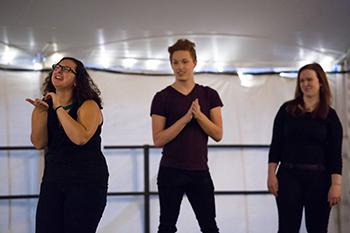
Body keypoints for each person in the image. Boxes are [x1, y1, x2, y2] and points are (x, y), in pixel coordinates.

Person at [26, 57, 109, 233]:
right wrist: (41, 113)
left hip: (87, 181)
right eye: (57, 67)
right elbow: (39, 143)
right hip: (53, 180)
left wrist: (58, 107)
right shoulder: (43, 107)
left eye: (66, 69)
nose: (58, 71)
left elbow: (80, 138)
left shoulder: (89, 105)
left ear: (77, 80)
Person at [150, 39, 223, 233]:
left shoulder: (209, 95)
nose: (180, 67)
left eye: (184, 61)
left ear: (194, 63)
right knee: (166, 227)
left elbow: (218, 134)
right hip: (170, 171)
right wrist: (185, 119)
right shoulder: (162, 97)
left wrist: (198, 116)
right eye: (175, 62)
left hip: (200, 171)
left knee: (209, 226)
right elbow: (158, 140)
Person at [267, 63, 343, 233]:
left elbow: (335, 154)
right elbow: (276, 145)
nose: (305, 84)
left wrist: (336, 185)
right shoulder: (286, 110)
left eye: (309, 79)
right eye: (301, 80)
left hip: (319, 180)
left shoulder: (330, 116)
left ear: (320, 82)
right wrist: (271, 175)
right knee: (287, 228)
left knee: (317, 229)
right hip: (288, 177)